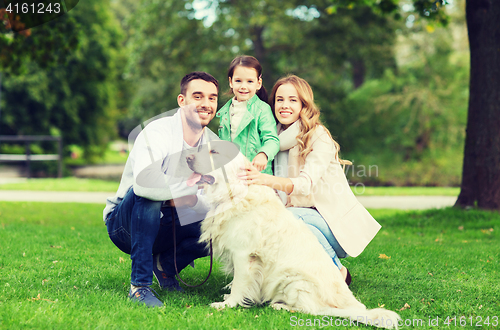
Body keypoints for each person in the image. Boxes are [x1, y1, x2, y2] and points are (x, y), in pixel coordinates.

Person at [239, 75, 381, 285]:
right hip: (301, 219)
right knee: (271, 221)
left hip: (333, 226)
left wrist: (263, 179)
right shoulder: (271, 141)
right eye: (279, 100)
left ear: (304, 105)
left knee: (288, 219)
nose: (284, 105)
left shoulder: (318, 136)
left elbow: (304, 185)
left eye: (292, 100)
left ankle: (338, 272)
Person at [103, 71, 220, 307]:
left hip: (170, 223)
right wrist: (181, 193)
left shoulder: (214, 144)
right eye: (197, 96)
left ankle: (165, 266)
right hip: (125, 226)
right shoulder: (157, 132)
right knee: (149, 194)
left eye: (212, 98)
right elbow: (146, 185)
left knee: (220, 226)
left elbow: (216, 199)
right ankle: (140, 287)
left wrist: (190, 202)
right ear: (182, 101)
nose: (206, 104)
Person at [217, 55, 279, 174]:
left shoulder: (262, 110)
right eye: (238, 81)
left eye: (250, 81)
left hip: (257, 175)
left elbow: (272, 139)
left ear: (258, 83)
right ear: (231, 82)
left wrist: (263, 154)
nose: (243, 86)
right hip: (232, 174)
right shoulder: (224, 112)